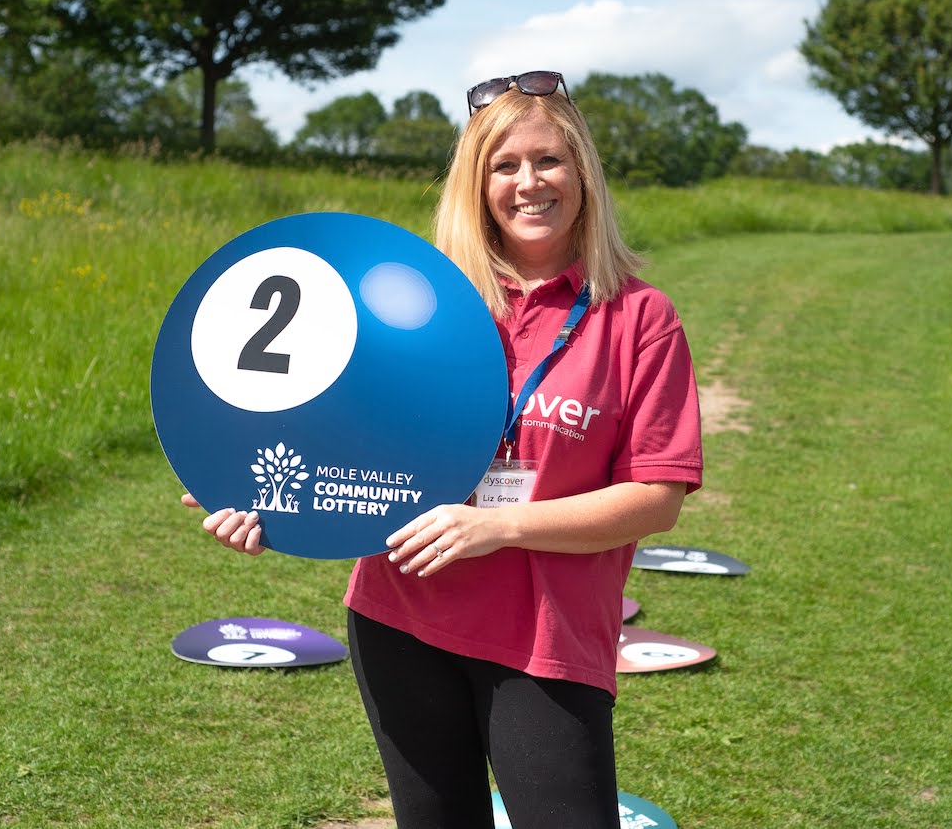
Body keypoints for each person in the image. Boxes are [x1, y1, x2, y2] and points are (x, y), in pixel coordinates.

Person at [188, 70, 703, 828]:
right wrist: (256, 493)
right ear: (477, 181)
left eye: (549, 160)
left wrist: (499, 526)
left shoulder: (637, 317)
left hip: (546, 639)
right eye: (505, 165)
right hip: (401, 618)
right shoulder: (417, 307)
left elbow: (655, 499)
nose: (529, 183)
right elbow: (334, 427)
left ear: (583, 172)